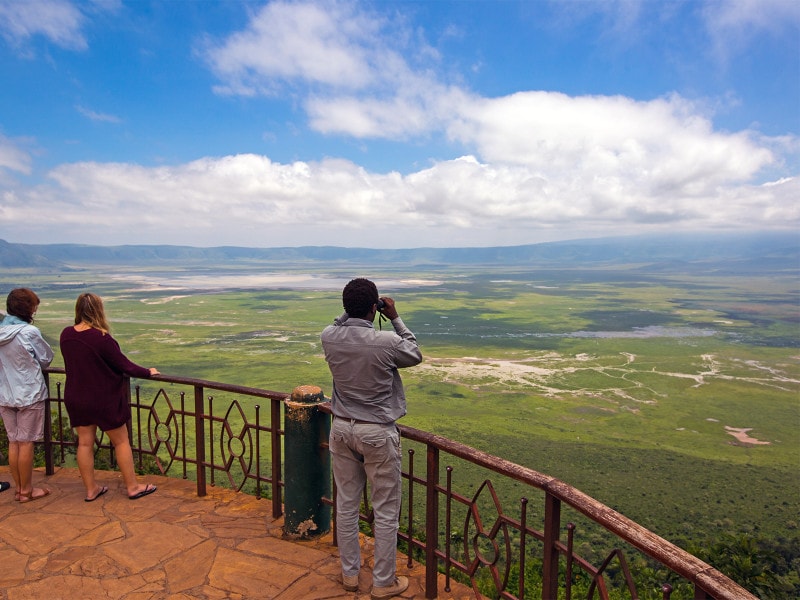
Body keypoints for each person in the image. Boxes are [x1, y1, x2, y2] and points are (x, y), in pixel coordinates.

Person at [321, 278, 422, 599]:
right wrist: (394, 316)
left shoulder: (329, 337)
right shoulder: (387, 341)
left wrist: (351, 313)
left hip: (341, 428)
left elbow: (340, 324)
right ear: (374, 307)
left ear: (345, 306)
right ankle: (383, 582)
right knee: (386, 509)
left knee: (347, 505)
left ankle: (350, 576)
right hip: (377, 432)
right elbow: (415, 353)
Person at [60, 293, 160, 501]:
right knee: (121, 442)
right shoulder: (102, 338)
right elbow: (124, 365)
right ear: (99, 310)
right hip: (102, 399)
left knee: (85, 444)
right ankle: (132, 487)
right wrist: (147, 372)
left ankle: (91, 489)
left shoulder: (66, 335)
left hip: (76, 397)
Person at [0, 288, 54, 503]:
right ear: (28, 309)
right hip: (29, 393)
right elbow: (45, 358)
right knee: (26, 442)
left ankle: (19, 489)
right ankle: (27, 490)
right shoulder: (29, 333)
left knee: (14, 442)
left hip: (4, 393)